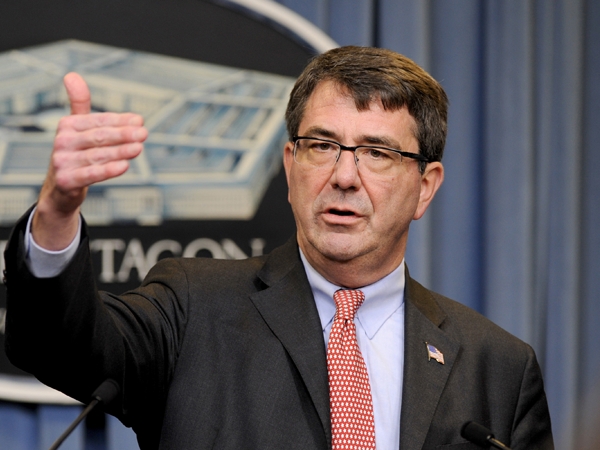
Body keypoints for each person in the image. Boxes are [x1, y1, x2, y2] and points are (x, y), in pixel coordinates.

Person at [4, 46, 553, 449]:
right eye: (322, 145)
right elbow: (59, 347)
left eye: (377, 153)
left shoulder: (498, 368)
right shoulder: (193, 308)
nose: (344, 176)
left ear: (425, 187)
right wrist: (56, 213)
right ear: (290, 167)